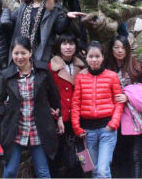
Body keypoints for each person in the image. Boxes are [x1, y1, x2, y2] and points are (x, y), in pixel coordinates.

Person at [0, 36, 64, 178]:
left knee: (42, 171)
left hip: (38, 127)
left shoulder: (42, 71)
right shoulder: (7, 75)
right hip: (16, 128)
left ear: (30, 53)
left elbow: (54, 96)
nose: (19, 57)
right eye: (16, 53)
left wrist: (59, 116)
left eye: (23, 53)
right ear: (11, 54)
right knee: (10, 171)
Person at [71, 41, 123, 178]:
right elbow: (76, 103)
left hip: (107, 128)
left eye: (97, 56)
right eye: (91, 56)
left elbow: (118, 102)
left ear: (103, 57)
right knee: (92, 169)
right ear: (86, 58)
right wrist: (76, 127)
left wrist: (114, 123)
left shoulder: (112, 76)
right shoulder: (81, 77)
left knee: (102, 170)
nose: (94, 60)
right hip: (87, 131)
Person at [9, 0, 84, 63]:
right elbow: (12, 21)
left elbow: (59, 29)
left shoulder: (52, 7)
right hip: (21, 52)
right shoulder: (24, 6)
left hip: (42, 52)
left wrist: (68, 18)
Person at [105, 35, 142, 178]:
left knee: (134, 155)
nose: (120, 50)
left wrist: (128, 97)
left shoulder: (137, 66)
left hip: (135, 116)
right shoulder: (106, 67)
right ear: (111, 49)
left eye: (123, 47)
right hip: (114, 115)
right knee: (118, 154)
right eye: (116, 47)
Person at [48, 34, 86, 178]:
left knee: (82, 152)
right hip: (59, 117)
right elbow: (47, 92)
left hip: (78, 117)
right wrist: (54, 111)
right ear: (59, 46)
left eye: (71, 44)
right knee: (57, 154)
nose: (68, 47)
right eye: (64, 44)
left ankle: (83, 175)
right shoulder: (51, 68)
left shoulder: (82, 67)